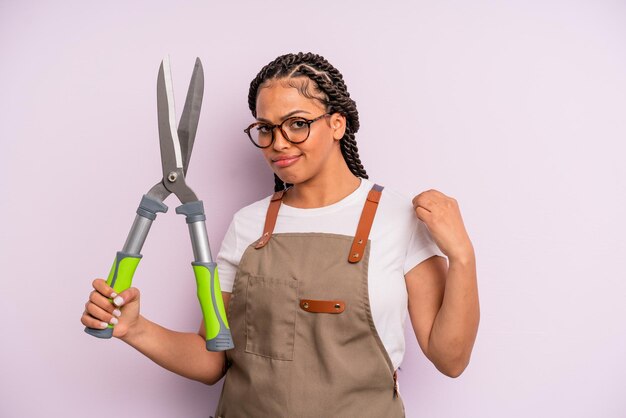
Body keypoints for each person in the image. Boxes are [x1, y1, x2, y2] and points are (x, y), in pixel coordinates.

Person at [81, 52, 480, 417]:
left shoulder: (399, 218)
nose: (278, 143)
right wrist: (135, 328)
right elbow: (212, 360)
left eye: (298, 124)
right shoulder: (248, 225)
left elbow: (451, 360)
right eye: (266, 129)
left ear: (337, 123)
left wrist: (462, 256)